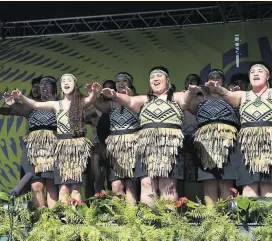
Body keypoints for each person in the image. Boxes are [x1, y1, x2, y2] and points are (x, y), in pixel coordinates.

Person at [101, 66, 200, 205]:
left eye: (159, 76)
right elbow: (129, 101)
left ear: (167, 80)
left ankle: (167, 221)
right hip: (147, 146)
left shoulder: (175, 97)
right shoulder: (145, 99)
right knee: (147, 184)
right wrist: (115, 95)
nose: (155, 79)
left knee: (168, 186)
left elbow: (185, 101)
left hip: (169, 145)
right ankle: (149, 221)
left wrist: (191, 92)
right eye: (152, 77)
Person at [11, 73, 97, 202]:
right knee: (63, 188)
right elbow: (35, 104)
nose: (66, 83)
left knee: (75, 188)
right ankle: (62, 218)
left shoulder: (79, 103)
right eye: (63, 81)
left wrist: (93, 92)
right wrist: (21, 97)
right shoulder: (56, 104)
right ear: (61, 86)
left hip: (76, 147)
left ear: (75, 84)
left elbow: (91, 100)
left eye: (69, 80)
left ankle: (74, 218)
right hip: (61, 147)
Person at [205, 62, 272, 197]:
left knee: (267, 188)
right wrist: (219, 88)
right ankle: (251, 218)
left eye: (260, 71)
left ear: (268, 76)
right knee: (249, 188)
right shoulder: (243, 95)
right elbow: (227, 94)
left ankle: (267, 218)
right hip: (247, 145)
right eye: (252, 72)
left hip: (268, 144)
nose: (256, 73)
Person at [1, 76, 59, 208]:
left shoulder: (59, 104)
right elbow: (13, 110)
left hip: (52, 148)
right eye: (40, 85)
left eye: (46, 85)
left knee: (51, 186)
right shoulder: (31, 106)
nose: (42, 88)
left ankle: (53, 223)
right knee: (36, 185)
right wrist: (13, 104)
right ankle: (41, 221)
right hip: (34, 150)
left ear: (54, 88)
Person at [189, 69, 240, 205]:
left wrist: (230, 93)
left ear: (223, 81)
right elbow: (190, 108)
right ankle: (211, 220)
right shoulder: (201, 98)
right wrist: (193, 95)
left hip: (228, 140)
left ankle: (226, 220)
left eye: (218, 78)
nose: (215, 80)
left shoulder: (231, 97)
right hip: (205, 142)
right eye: (212, 77)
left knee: (226, 182)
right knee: (209, 182)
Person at [93, 73, 139, 204]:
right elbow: (97, 104)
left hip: (132, 145)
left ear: (130, 83)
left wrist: (132, 96)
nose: (121, 83)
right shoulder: (111, 104)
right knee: (115, 185)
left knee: (130, 186)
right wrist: (93, 94)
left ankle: (131, 219)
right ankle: (119, 218)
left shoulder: (137, 99)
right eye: (118, 81)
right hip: (116, 148)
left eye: (124, 80)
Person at [84, 80, 117, 197]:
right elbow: (82, 117)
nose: (108, 90)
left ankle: (113, 204)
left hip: (114, 146)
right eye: (106, 88)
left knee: (112, 177)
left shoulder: (116, 108)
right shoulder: (95, 108)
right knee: (97, 176)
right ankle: (98, 201)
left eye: (111, 88)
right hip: (97, 145)